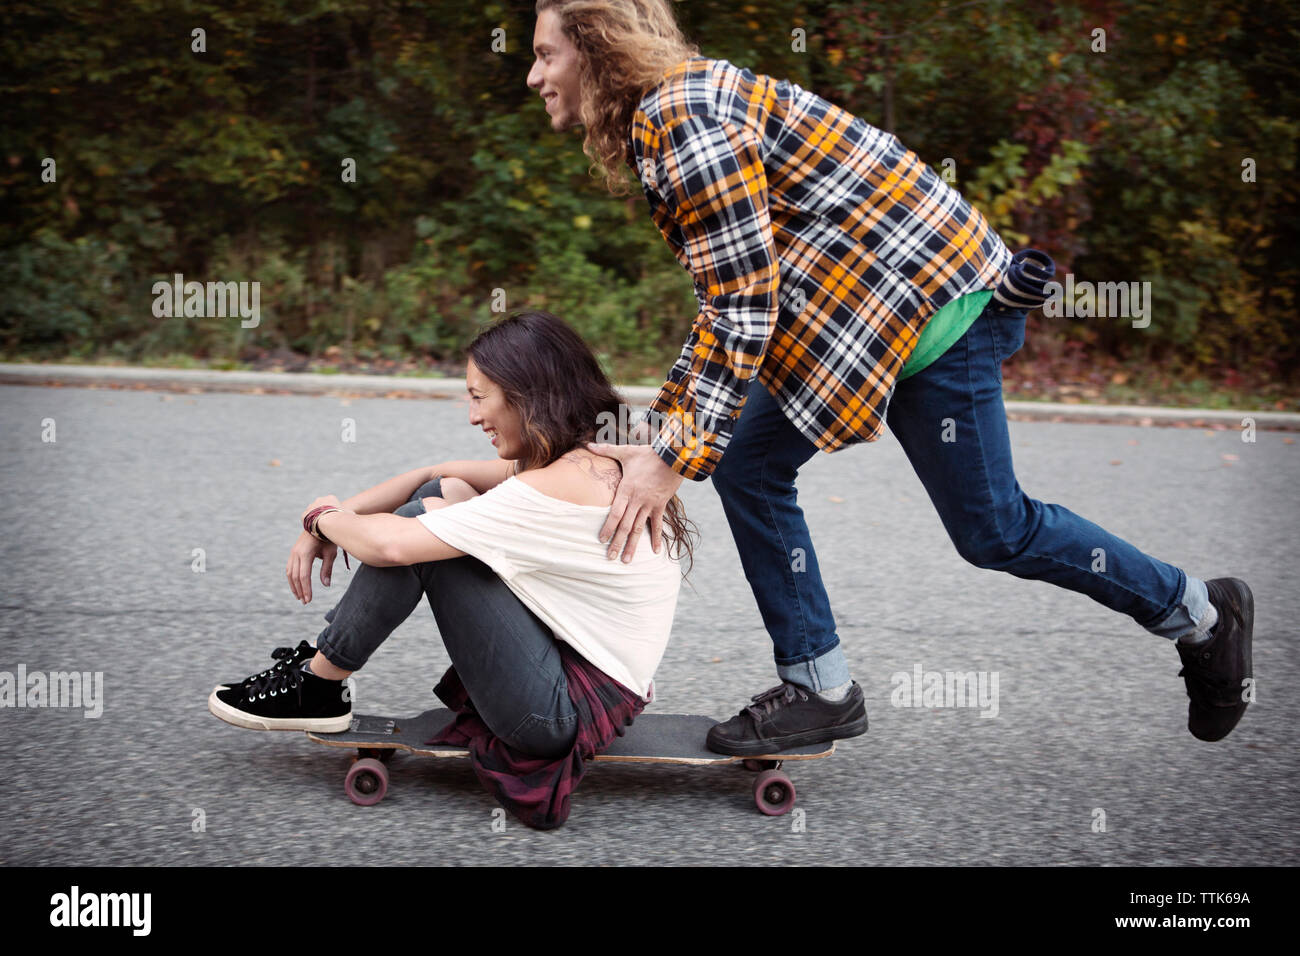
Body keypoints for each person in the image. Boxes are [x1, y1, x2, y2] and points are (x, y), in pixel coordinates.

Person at [524, 0, 1254, 754]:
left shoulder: (682, 118)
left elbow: (743, 302)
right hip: (871, 320)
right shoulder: (672, 110)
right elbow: (734, 294)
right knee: (746, 461)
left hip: (934, 312)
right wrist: (667, 436)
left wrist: (670, 457)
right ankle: (819, 686)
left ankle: (1201, 614)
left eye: (547, 54)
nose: (533, 74)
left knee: (994, 530)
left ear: (597, 49)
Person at [208, 310, 694, 828]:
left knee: (421, 528)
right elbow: (434, 473)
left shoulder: (559, 483)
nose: (471, 415)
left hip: (560, 713)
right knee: (437, 498)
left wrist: (321, 516)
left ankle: (319, 683)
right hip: (584, 679)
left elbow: (390, 548)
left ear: (527, 393)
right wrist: (330, 520)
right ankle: (320, 678)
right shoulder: (581, 457)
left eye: (480, 397)